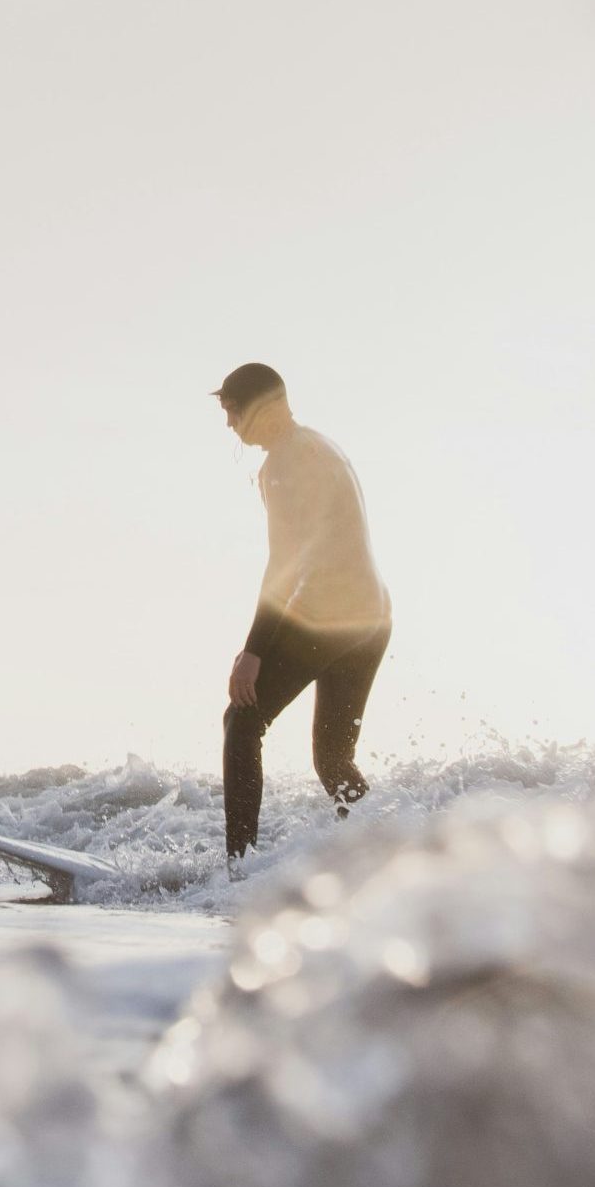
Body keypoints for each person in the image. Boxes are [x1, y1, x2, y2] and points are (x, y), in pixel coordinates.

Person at [213, 362, 392, 861]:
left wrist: (253, 651)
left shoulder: (284, 464)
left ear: (258, 407)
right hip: (372, 618)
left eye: (233, 411)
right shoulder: (319, 445)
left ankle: (239, 869)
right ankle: (387, 852)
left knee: (241, 722)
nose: (229, 424)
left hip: (330, 619)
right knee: (333, 758)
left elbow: (285, 565)